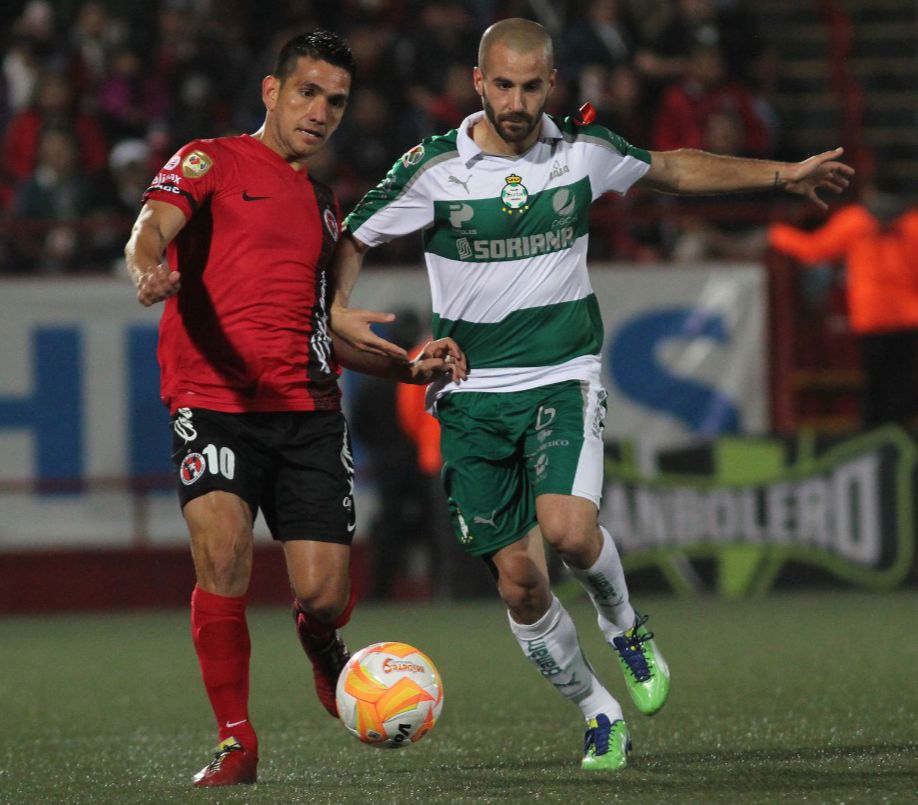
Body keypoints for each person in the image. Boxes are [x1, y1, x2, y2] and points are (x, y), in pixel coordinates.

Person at [329, 17, 853, 772]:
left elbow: (674, 168)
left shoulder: (584, 151)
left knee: (571, 530)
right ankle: (597, 708)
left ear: (552, 84)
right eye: (502, 85)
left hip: (561, 373)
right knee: (518, 583)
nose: (516, 100)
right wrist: (340, 304)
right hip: (472, 394)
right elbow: (352, 237)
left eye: (531, 85)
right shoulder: (433, 168)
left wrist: (781, 174)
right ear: (478, 83)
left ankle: (625, 623)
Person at [123, 30, 466, 788]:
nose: (321, 111)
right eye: (307, 93)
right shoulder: (209, 160)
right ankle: (236, 740)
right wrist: (149, 271)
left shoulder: (320, 203)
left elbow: (323, 329)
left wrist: (408, 368)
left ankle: (323, 648)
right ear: (272, 91)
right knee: (223, 556)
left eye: (336, 100)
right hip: (213, 402)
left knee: (325, 594)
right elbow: (151, 229)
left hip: (307, 410)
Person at [768, 184, 918, 428]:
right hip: (908, 318)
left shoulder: (855, 221)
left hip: (873, 318)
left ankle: (876, 444)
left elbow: (814, 250)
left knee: (876, 387)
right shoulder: (912, 225)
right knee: (903, 387)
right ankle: (901, 444)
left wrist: (777, 234)